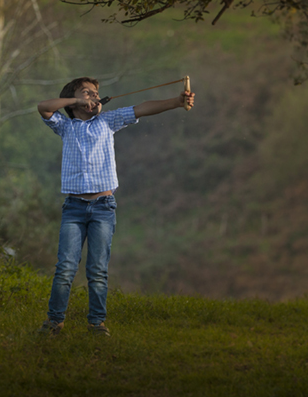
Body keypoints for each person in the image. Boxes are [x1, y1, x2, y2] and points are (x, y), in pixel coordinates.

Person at [36, 76, 196, 336]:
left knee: (97, 270)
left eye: (96, 93)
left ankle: (96, 323)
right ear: (73, 102)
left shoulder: (107, 121)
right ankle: (55, 321)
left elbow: (142, 108)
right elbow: (44, 106)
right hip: (74, 209)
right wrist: (79, 99)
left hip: (103, 208)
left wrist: (177, 102)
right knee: (65, 268)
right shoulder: (65, 126)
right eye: (87, 93)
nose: (94, 96)